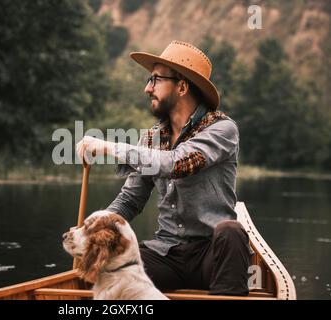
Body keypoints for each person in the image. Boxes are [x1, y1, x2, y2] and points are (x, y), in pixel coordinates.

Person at [76, 40, 251, 296]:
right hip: (167, 254)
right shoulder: (151, 138)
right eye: (149, 80)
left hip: (211, 256)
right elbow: (130, 200)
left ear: (181, 86)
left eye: (156, 79)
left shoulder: (222, 129)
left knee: (231, 232)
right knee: (106, 267)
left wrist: (108, 147)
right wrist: (93, 227)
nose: (147, 88)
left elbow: (176, 163)